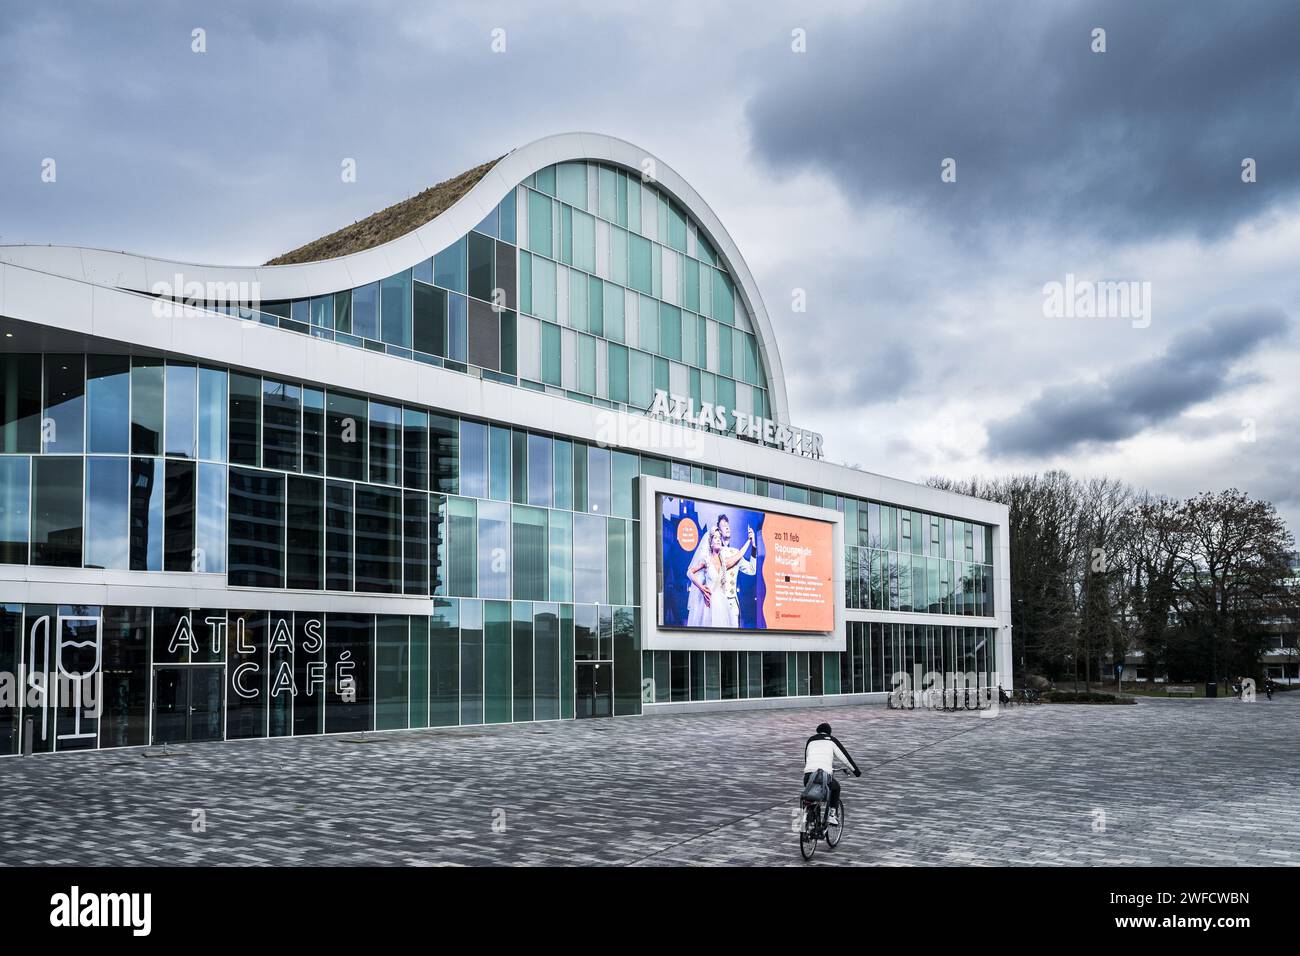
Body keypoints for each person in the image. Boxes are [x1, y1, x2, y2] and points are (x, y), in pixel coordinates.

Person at [687, 527, 749, 628]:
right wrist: (701, 588)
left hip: (722, 603)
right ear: (710, 542)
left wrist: (749, 541)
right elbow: (689, 572)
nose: (718, 539)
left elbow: (738, 555)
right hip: (709, 604)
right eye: (715, 537)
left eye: (719, 538)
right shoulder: (706, 560)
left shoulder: (723, 562)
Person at [803, 722, 861, 826]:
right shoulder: (831, 740)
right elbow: (845, 758)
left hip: (808, 775)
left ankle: (809, 819)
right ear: (829, 733)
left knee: (811, 796)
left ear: (818, 731)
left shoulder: (810, 740)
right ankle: (832, 814)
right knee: (836, 788)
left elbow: (807, 758)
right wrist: (856, 772)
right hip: (824, 776)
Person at [717, 514, 757, 627]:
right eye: (724, 525)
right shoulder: (716, 551)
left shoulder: (735, 551)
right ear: (719, 531)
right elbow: (726, 563)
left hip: (733, 603)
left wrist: (753, 545)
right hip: (719, 603)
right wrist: (747, 543)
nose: (727, 527)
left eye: (728, 525)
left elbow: (752, 570)